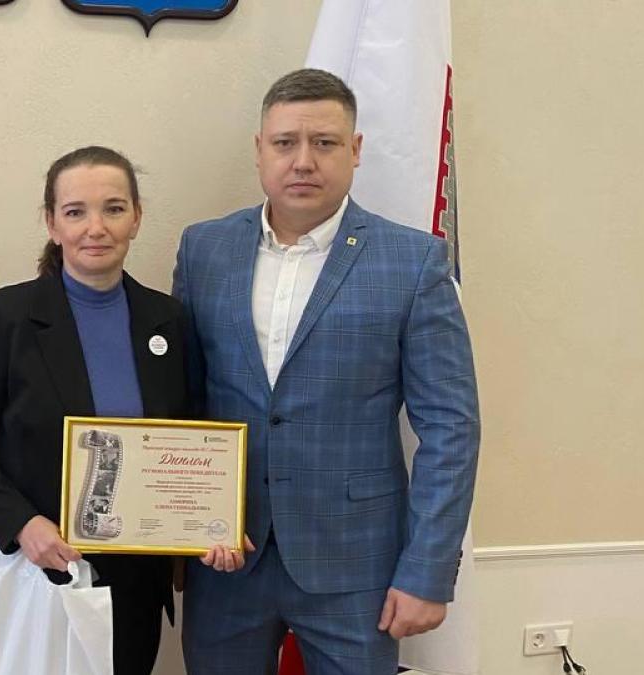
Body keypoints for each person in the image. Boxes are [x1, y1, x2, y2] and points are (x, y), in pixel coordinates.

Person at [173, 68, 481, 675]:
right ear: (259, 149)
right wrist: (176, 528)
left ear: (355, 150)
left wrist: (426, 571)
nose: (304, 161)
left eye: (325, 143)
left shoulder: (413, 261)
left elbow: (451, 427)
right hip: (225, 557)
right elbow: (181, 399)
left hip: (357, 565)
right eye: (285, 143)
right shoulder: (203, 249)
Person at [0, 146, 188, 674]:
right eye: (75, 211)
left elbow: (190, 442)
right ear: (52, 223)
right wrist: (23, 524)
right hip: (32, 570)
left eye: (114, 208)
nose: (96, 227)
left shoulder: (169, 320)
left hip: (134, 585)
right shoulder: (9, 314)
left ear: (137, 218)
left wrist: (207, 527)